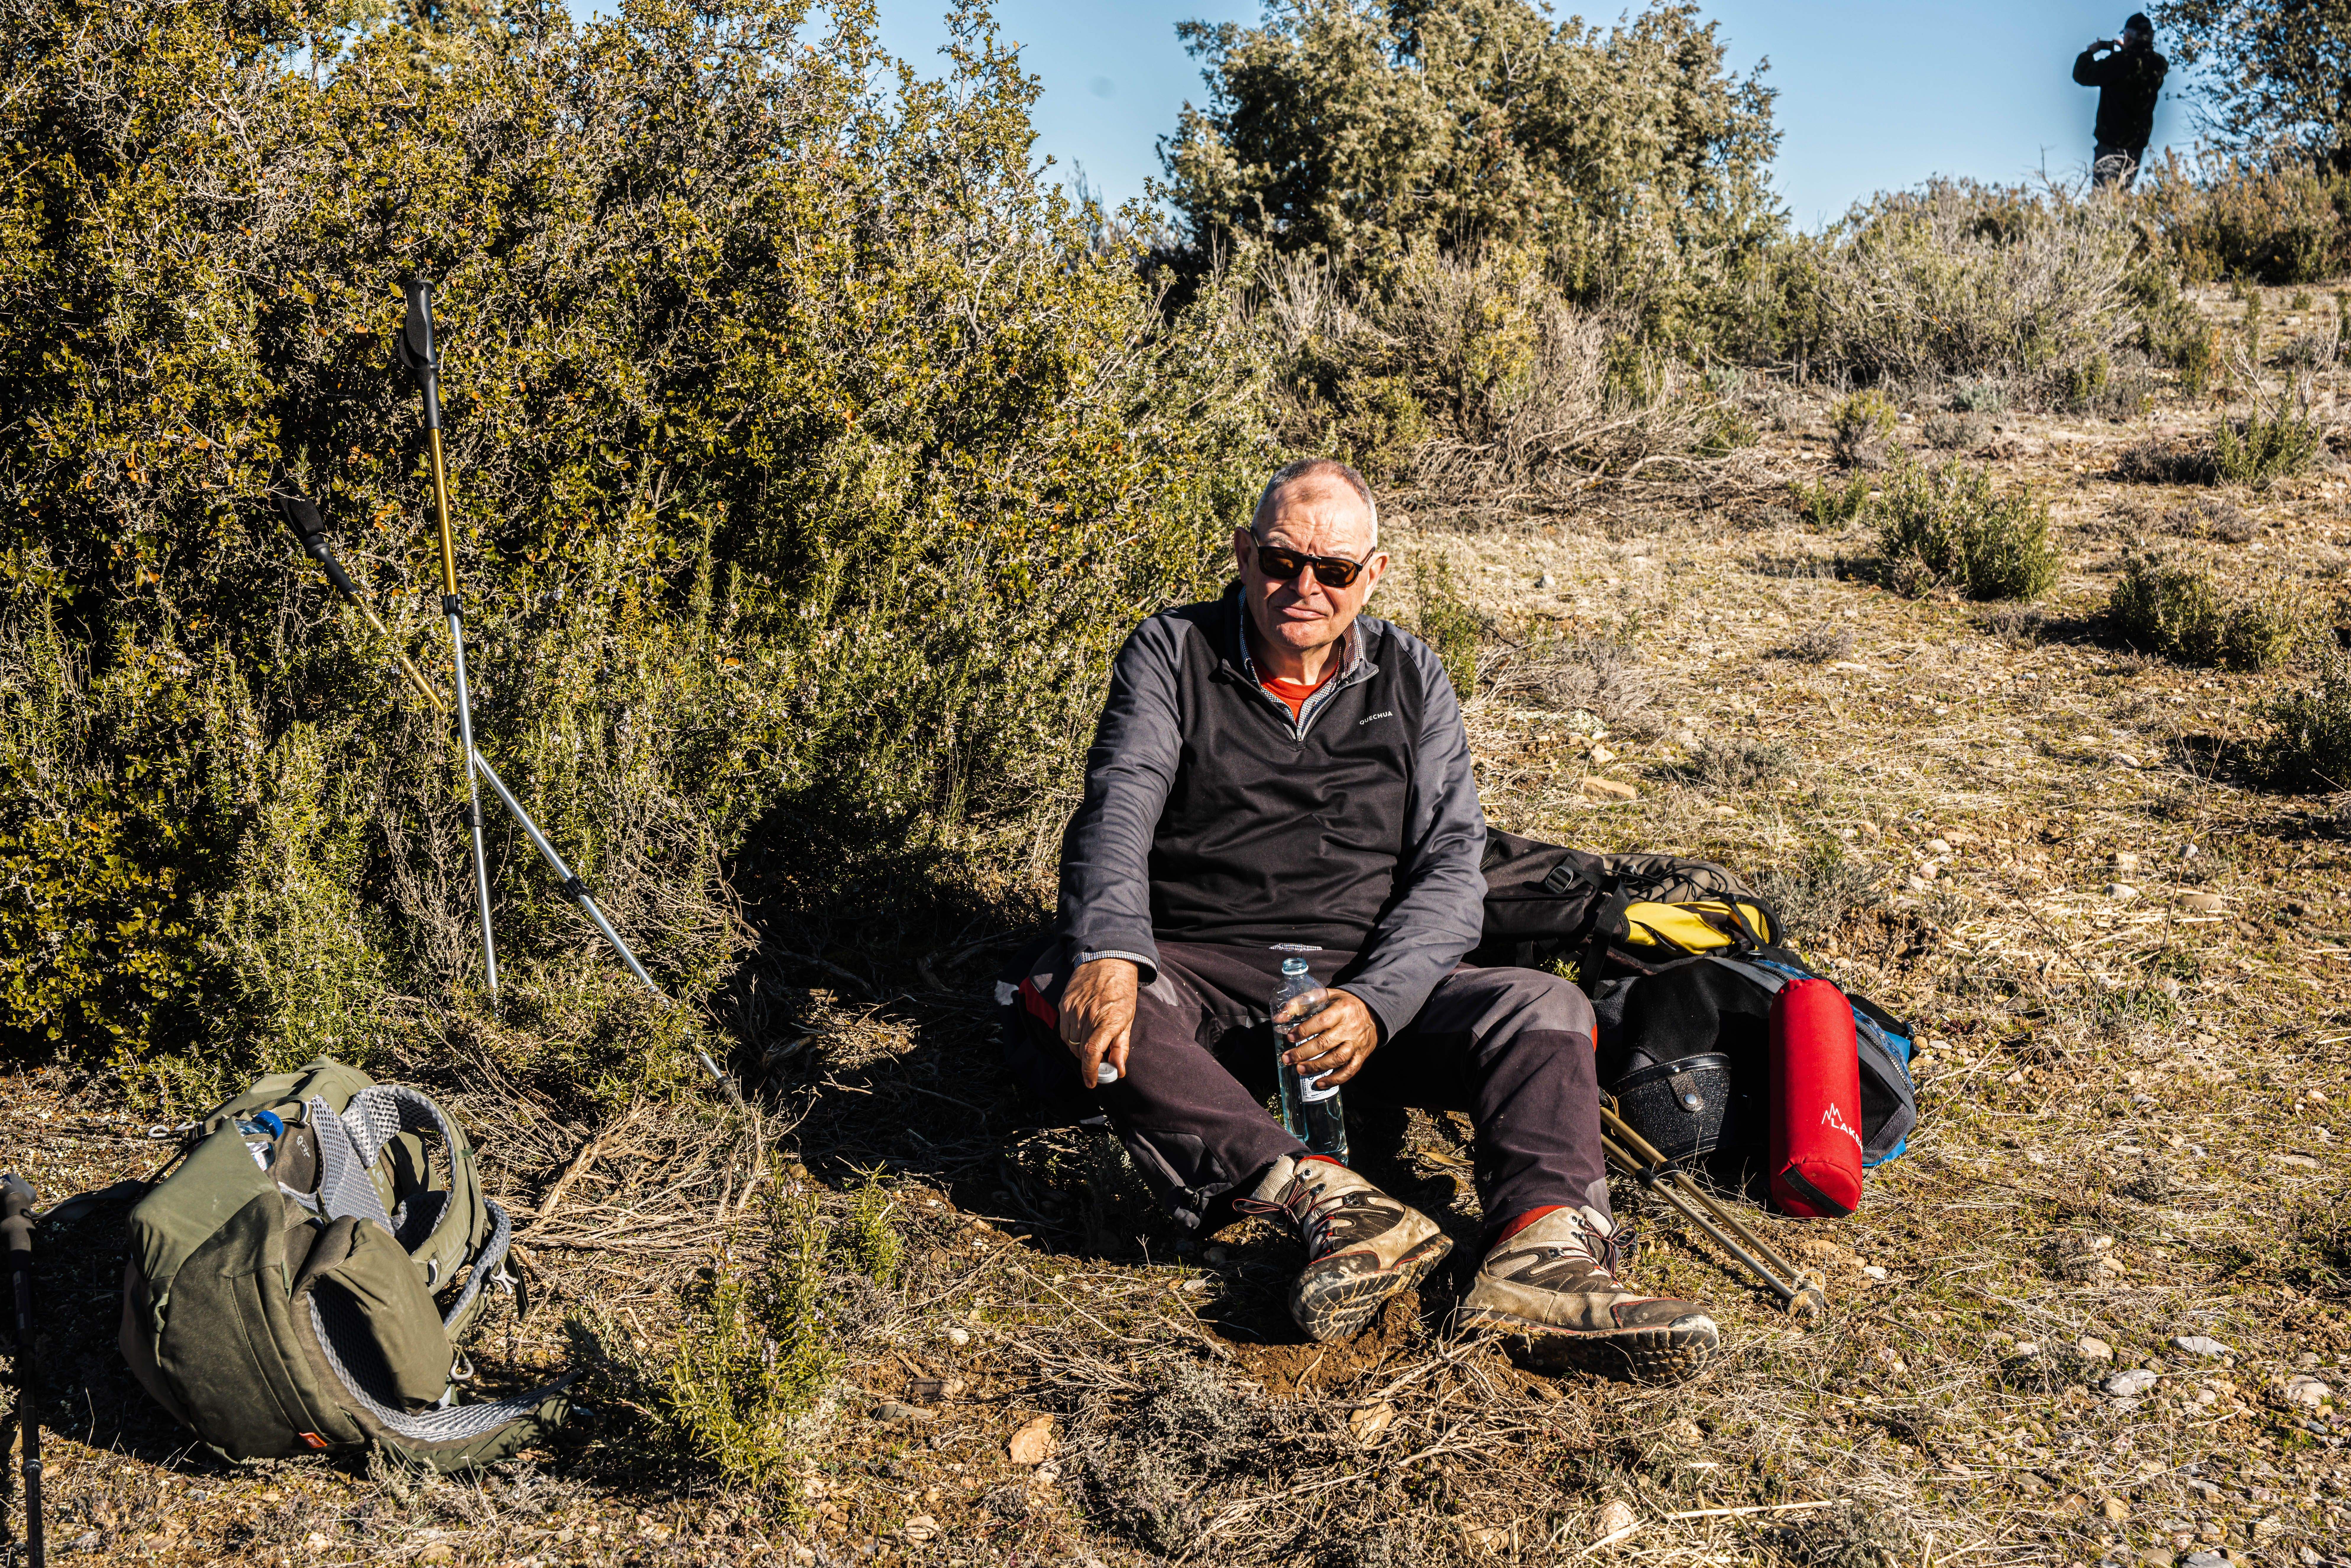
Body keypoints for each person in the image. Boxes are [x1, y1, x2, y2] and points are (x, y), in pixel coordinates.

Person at [1003, 457, 1718, 1382]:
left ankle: (1546, 1254)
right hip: (1206, 966)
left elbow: (1453, 874)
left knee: (1542, 1008)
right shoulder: (1171, 651)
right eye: (1279, 561)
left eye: (1333, 570)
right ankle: (1328, 1201)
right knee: (1075, 988)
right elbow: (1117, 807)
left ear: (1371, 575)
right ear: (1241, 553)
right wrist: (1108, 948)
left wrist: (1377, 1002)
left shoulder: (1412, 674)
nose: (1303, 587)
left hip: (1364, 978)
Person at [2074, 14, 2168, 190]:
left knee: (2102, 204)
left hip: (2111, 145)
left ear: (2130, 36)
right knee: (2121, 201)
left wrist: (2091, 52)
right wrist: (2129, 51)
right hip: (2137, 146)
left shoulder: (2119, 63)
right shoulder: (2157, 65)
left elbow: (2082, 75)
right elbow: (2140, 64)